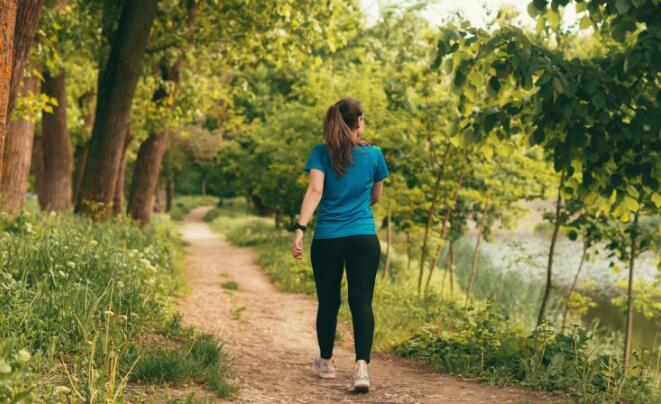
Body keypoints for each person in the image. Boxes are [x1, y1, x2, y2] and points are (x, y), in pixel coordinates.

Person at [290, 97, 389, 393]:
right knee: (361, 302)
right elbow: (376, 196)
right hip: (363, 238)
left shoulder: (321, 153)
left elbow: (316, 190)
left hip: (327, 239)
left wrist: (300, 228)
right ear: (359, 121)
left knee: (329, 301)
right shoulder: (374, 155)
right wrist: (356, 206)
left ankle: (327, 362)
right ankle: (361, 369)